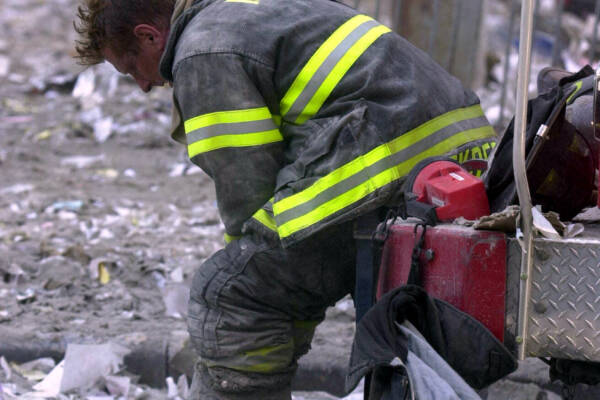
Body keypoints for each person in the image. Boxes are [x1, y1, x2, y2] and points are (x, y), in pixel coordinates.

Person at [74, 0, 496, 398]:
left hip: (384, 164)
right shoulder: (252, 10)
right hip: (461, 155)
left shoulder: (202, 54)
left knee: (230, 293)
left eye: (131, 68)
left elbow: (248, 195)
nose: (145, 85)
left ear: (148, 36)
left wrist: (255, 291)